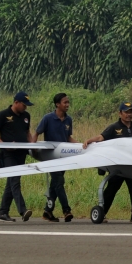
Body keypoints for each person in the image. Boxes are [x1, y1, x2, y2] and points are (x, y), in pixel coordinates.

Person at [82, 102, 132, 224]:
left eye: (130, 112)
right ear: (120, 113)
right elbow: (101, 137)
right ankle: (102, 213)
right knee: (111, 189)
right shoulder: (114, 127)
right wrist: (89, 140)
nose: (129, 115)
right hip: (118, 165)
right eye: (126, 112)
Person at [32, 93, 78, 223]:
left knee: (54, 185)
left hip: (64, 157)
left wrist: (81, 146)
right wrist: (33, 150)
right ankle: (66, 210)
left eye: (68, 102)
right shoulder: (48, 118)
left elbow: (68, 137)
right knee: (59, 182)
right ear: (57, 104)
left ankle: (48, 212)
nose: (67, 105)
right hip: (51, 157)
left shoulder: (68, 120)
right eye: (65, 102)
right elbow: (37, 133)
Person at [0, 91, 34, 223]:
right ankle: (23, 210)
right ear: (16, 103)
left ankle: (3, 212)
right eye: (24, 105)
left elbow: (27, 133)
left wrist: (32, 146)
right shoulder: (3, 115)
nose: (25, 107)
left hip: (22, 153)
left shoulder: (26, 116)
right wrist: (3, 145)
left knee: (11, 183)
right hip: (8, 154)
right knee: (14, 180)